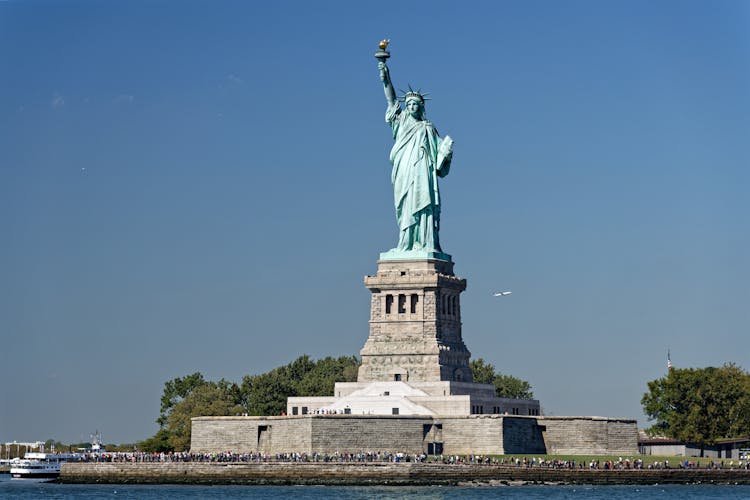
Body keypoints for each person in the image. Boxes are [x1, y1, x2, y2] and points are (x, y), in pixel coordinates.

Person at [378, 60, 454, 254]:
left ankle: (425, 242)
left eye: (415, 104)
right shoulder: (401, 121)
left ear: (421, 107)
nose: (411, 107)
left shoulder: (428, 128)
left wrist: (446, 152)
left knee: (423, 204)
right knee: (405, 206)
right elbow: (391, 99)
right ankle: (406, 243)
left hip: (422, 172)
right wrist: (385, 76)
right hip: (404, 169)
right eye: (409, 104)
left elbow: (439, 156)